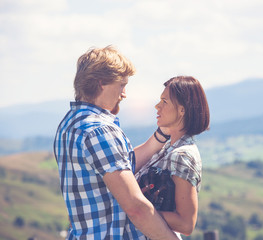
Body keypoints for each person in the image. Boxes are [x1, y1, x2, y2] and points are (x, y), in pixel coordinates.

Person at [53, 45, 178, 240]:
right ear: (101, 82)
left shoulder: (69, 124)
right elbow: (136, 208)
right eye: (122, 85)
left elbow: (120, 167)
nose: (124, 93)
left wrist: (162, 135)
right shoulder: (98, 131)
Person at [135, 76, 210, 238]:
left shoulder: (182, 155)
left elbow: (186, 223)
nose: (157, 106)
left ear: (182, 110)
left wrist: (135, 212)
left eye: (164, 101)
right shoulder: (168, 148)